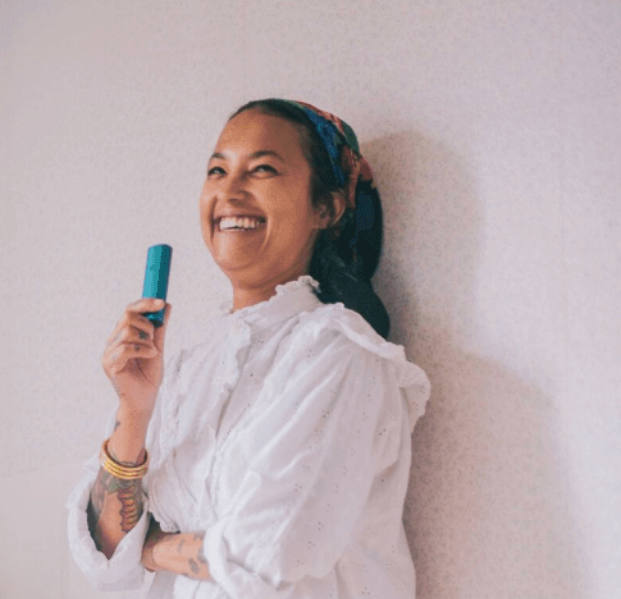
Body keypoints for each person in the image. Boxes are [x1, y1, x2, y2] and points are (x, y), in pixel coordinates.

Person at [66, 99, 431, 598]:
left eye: (262, 169)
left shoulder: (341, 354)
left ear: (325, 207)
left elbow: (269, 550)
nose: (230, 191)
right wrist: (134, 410)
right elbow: (106, 561)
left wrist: (149, 549)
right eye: (218, 170)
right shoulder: (185, 368)